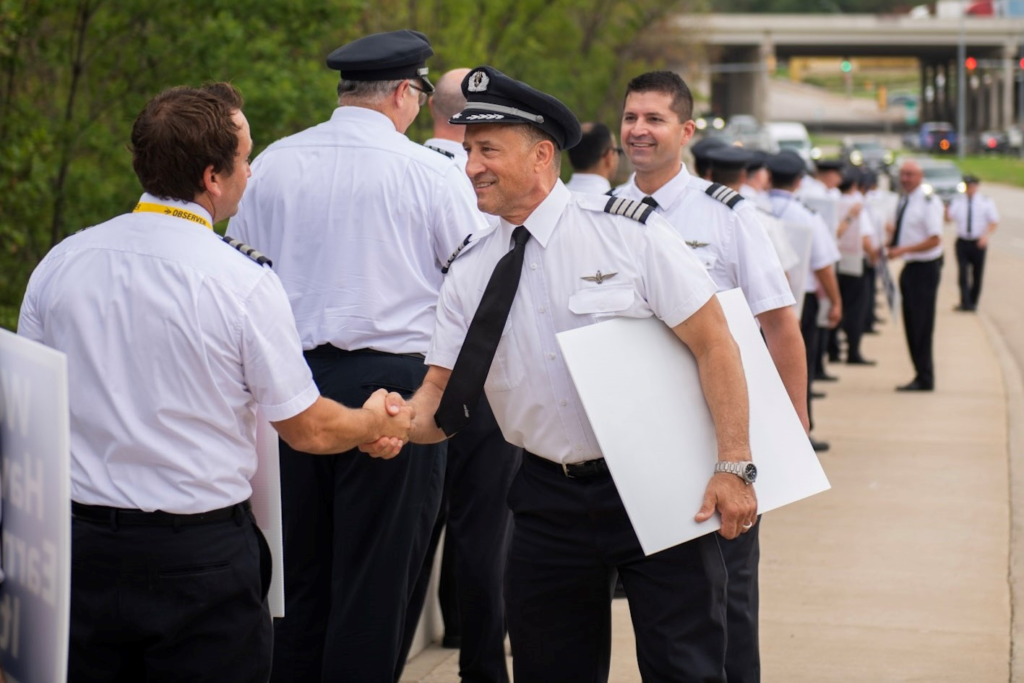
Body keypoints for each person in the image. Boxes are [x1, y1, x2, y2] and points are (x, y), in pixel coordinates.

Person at [374, 64, 758, 683]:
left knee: (686, 668)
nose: (471, 165)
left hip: (660, 484)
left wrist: (734, 464)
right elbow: (440, 398)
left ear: (543, 155)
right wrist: (391, 422)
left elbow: (716, 344)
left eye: (488, 150)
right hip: (546, 502)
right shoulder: (471, 271)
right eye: (470, 150)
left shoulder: (626, 234)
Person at [17, 83, 412, 683]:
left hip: (81, 554)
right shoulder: (241, 283)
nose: (250, 171)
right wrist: (375, 423)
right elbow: (306, 428)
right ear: (211, 177)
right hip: (198, 565)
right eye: (245, 158)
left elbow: (28, 415)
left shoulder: (62, 263)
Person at [229, 31, 487, 683]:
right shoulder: (433, 173)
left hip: (289, 382)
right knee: (378, 577)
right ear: (405, 93)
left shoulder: (274, 166)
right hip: (398, 385)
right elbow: (470, 293)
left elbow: (238, 274)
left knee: (295, 575)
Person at [613, 71, 803, 683]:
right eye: (631, 117)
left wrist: (790, 427)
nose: (639, 130)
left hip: (721, 431)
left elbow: (779, 324)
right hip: (639, 435)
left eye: (655, 119)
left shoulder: (726, 215)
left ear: (686, 131)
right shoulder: (602, 211)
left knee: (729, 598)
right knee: (665, 607)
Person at [403, 66, 520, 683]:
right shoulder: (479, 186)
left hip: (400, 378)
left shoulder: (399, 169)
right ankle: (480, 665)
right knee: (482, 530)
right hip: (470, 381)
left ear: (429, 110)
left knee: (407, 537)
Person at [765, 151, 842, 453]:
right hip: (799, 302)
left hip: (758, 305)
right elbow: (823, 264)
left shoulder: (754, 207)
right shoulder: (806, 214)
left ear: (768, 176)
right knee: (798, 369)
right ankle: (800, 434)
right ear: (799, 181)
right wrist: (836, 301)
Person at [888, 159, 943, 392]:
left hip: (924, 269)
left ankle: (925, 376)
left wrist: (902, 250)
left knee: (921, 325)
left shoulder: (928, 201)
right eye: (902, 174)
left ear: (920, 176)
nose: (905, 178)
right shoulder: (906, 199)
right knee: (912, 324)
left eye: (910, 174)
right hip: (911, 268)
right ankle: (920, 373)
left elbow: (935, 239)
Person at [834, 169, 875, 365]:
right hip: (855, 262)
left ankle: (833, 350)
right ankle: (853, 351)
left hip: (836, 261)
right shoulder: (856, 207)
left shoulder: (833, 202)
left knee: (836, 304)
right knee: (856, 309)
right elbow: (865, 237)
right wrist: (875, 256)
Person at [946, 174, 998, 312]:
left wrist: (985, 236)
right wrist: (945, 206)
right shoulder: (958, 201)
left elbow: (993, 221)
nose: (970, 189)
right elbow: (948, 219)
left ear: (977, 186)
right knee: (963, 274)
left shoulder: (985, 201)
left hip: (978, 242)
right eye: (968, 186)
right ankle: (965, 302)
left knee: (977, 274)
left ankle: (973, 302)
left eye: (972, 186)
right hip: (963, 242)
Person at [565, 122, 621, 194]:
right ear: (609, 156)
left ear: (568, 159)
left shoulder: (551, 198)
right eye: (617, 151)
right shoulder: (621, 202)